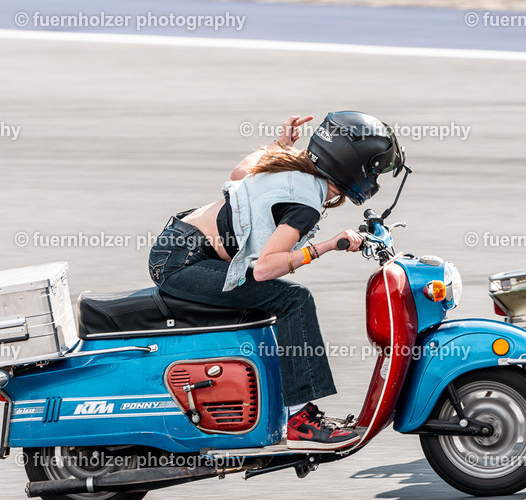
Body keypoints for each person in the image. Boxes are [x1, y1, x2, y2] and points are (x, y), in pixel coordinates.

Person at [147, 111, 405, 449]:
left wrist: (281, 144)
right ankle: (300, 419)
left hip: (178, 246)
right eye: (373, 170)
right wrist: (327, 246)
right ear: (353, 166)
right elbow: (264, 269)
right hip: (181, 263)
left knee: (270, 303)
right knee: (293, 300)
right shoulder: (305, 202)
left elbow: (239, 174)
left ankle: (269, 405)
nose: (375, 178)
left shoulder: (294, 166)